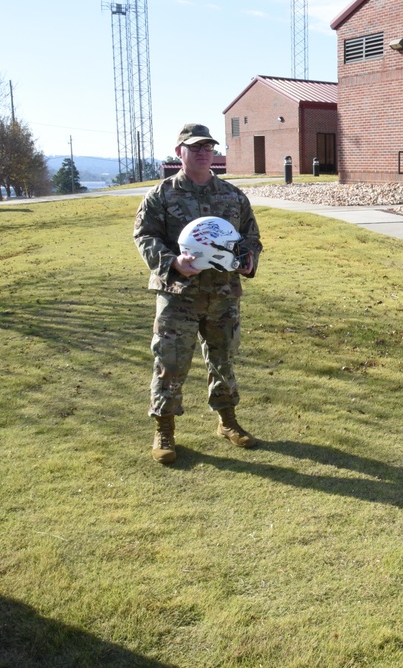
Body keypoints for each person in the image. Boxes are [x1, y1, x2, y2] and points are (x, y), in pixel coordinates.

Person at [133, 123, 263, 464]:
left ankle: (227, 421)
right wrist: (172, 262)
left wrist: (249, 261)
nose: (204, 152)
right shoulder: (161, 195)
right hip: (179, 294)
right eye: (196, 147)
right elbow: (145, 236)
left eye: (209, 147)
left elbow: (250, 237)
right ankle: (164, 429)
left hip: (222, 294)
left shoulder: (233, 195)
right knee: (170, 362)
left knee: (223, 359)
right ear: (180, 153)